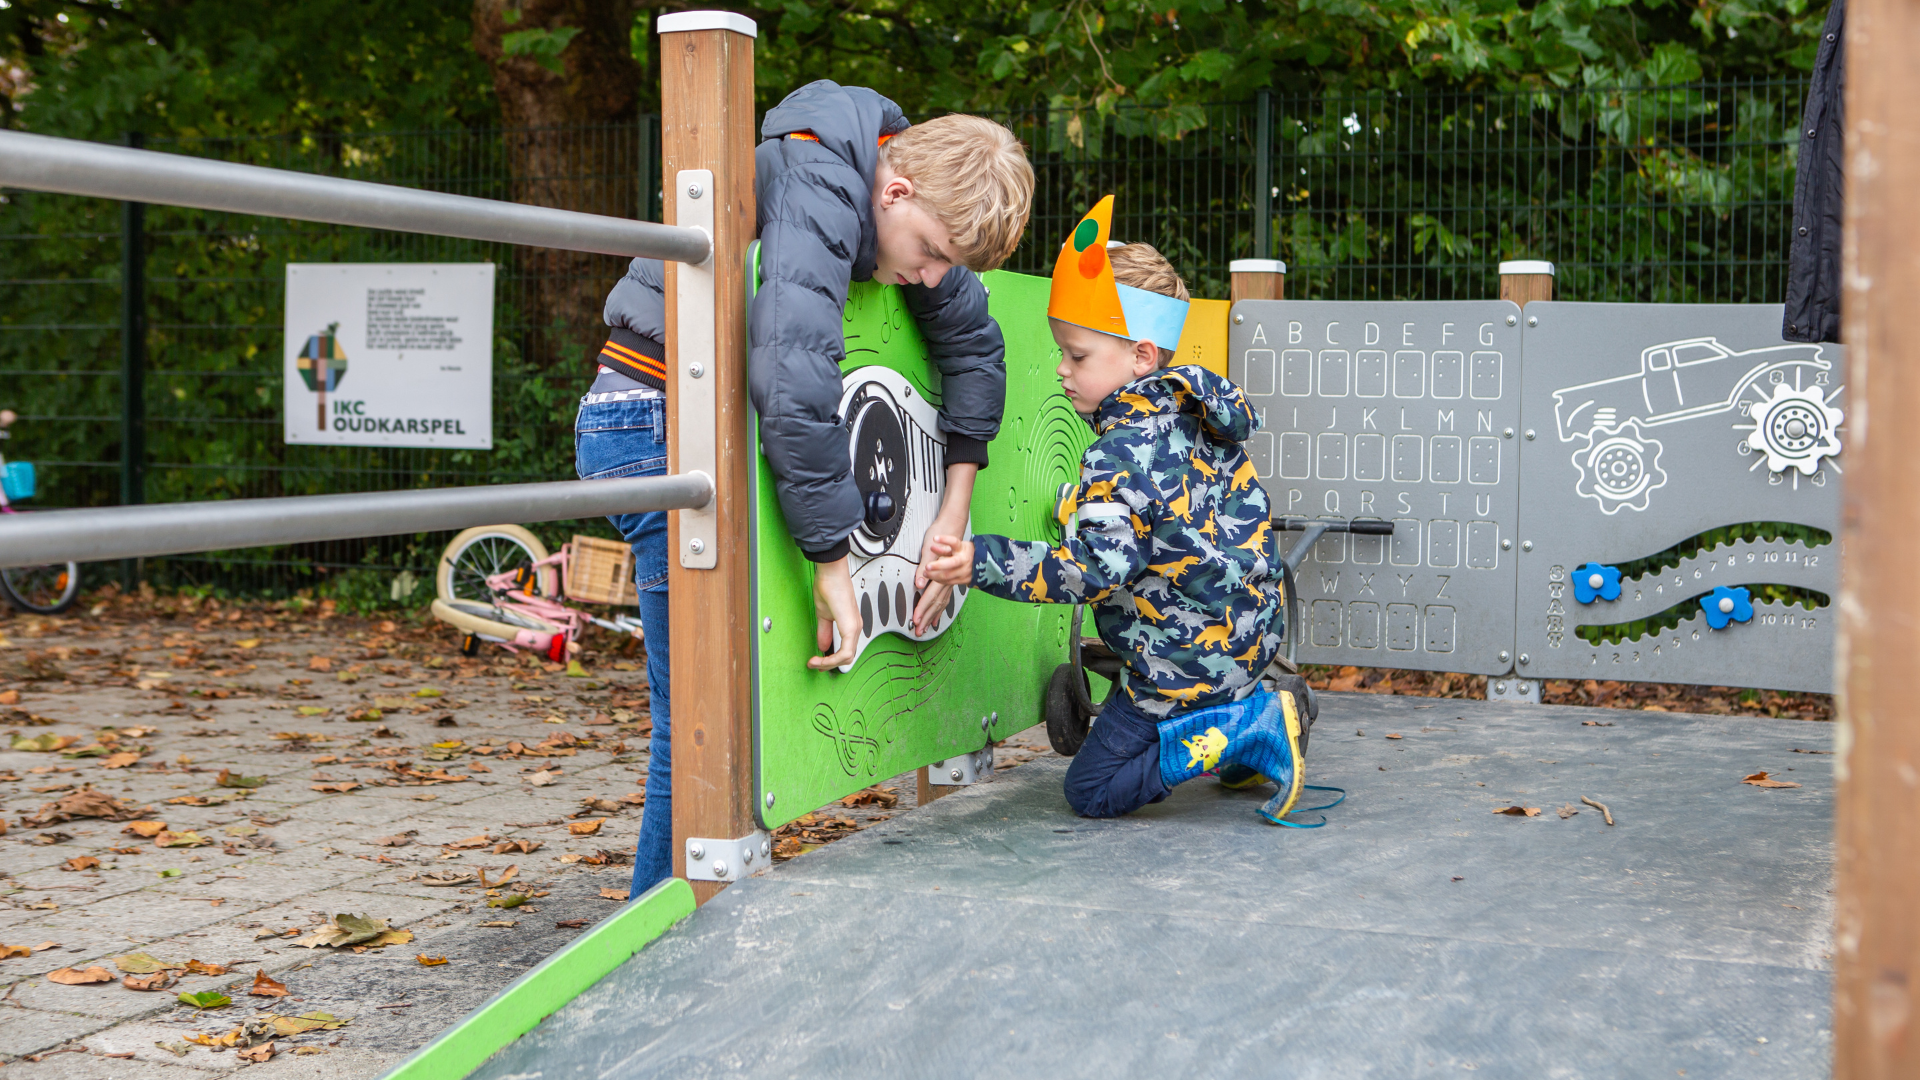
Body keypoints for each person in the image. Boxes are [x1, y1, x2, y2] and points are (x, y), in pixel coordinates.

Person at [578, 80, 1034, 896]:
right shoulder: (819, 182)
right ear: (894, 191)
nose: (931, 278)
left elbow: (976, 348)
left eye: (946, 264)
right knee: (700, 720)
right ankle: (661, 929)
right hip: (654, 430)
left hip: (717, 436)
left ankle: (678, 910)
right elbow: (793, 380)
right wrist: (833, 561)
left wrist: (954, 503)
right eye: (929, 251)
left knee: (722, 717)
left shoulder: (898, 202)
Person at [925, 196, 1317, 827]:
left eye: (1078, 356)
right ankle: (1255, 723)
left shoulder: (1117, 453)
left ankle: (1244, 731)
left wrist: (978, 562)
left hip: (1179, 669)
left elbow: (1088, 574)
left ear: (1139, 356)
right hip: (1248, 644)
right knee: (1211, 693)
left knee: (1094, 790)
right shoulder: (1197, 415)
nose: (1061, 370)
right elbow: (1172, 514)